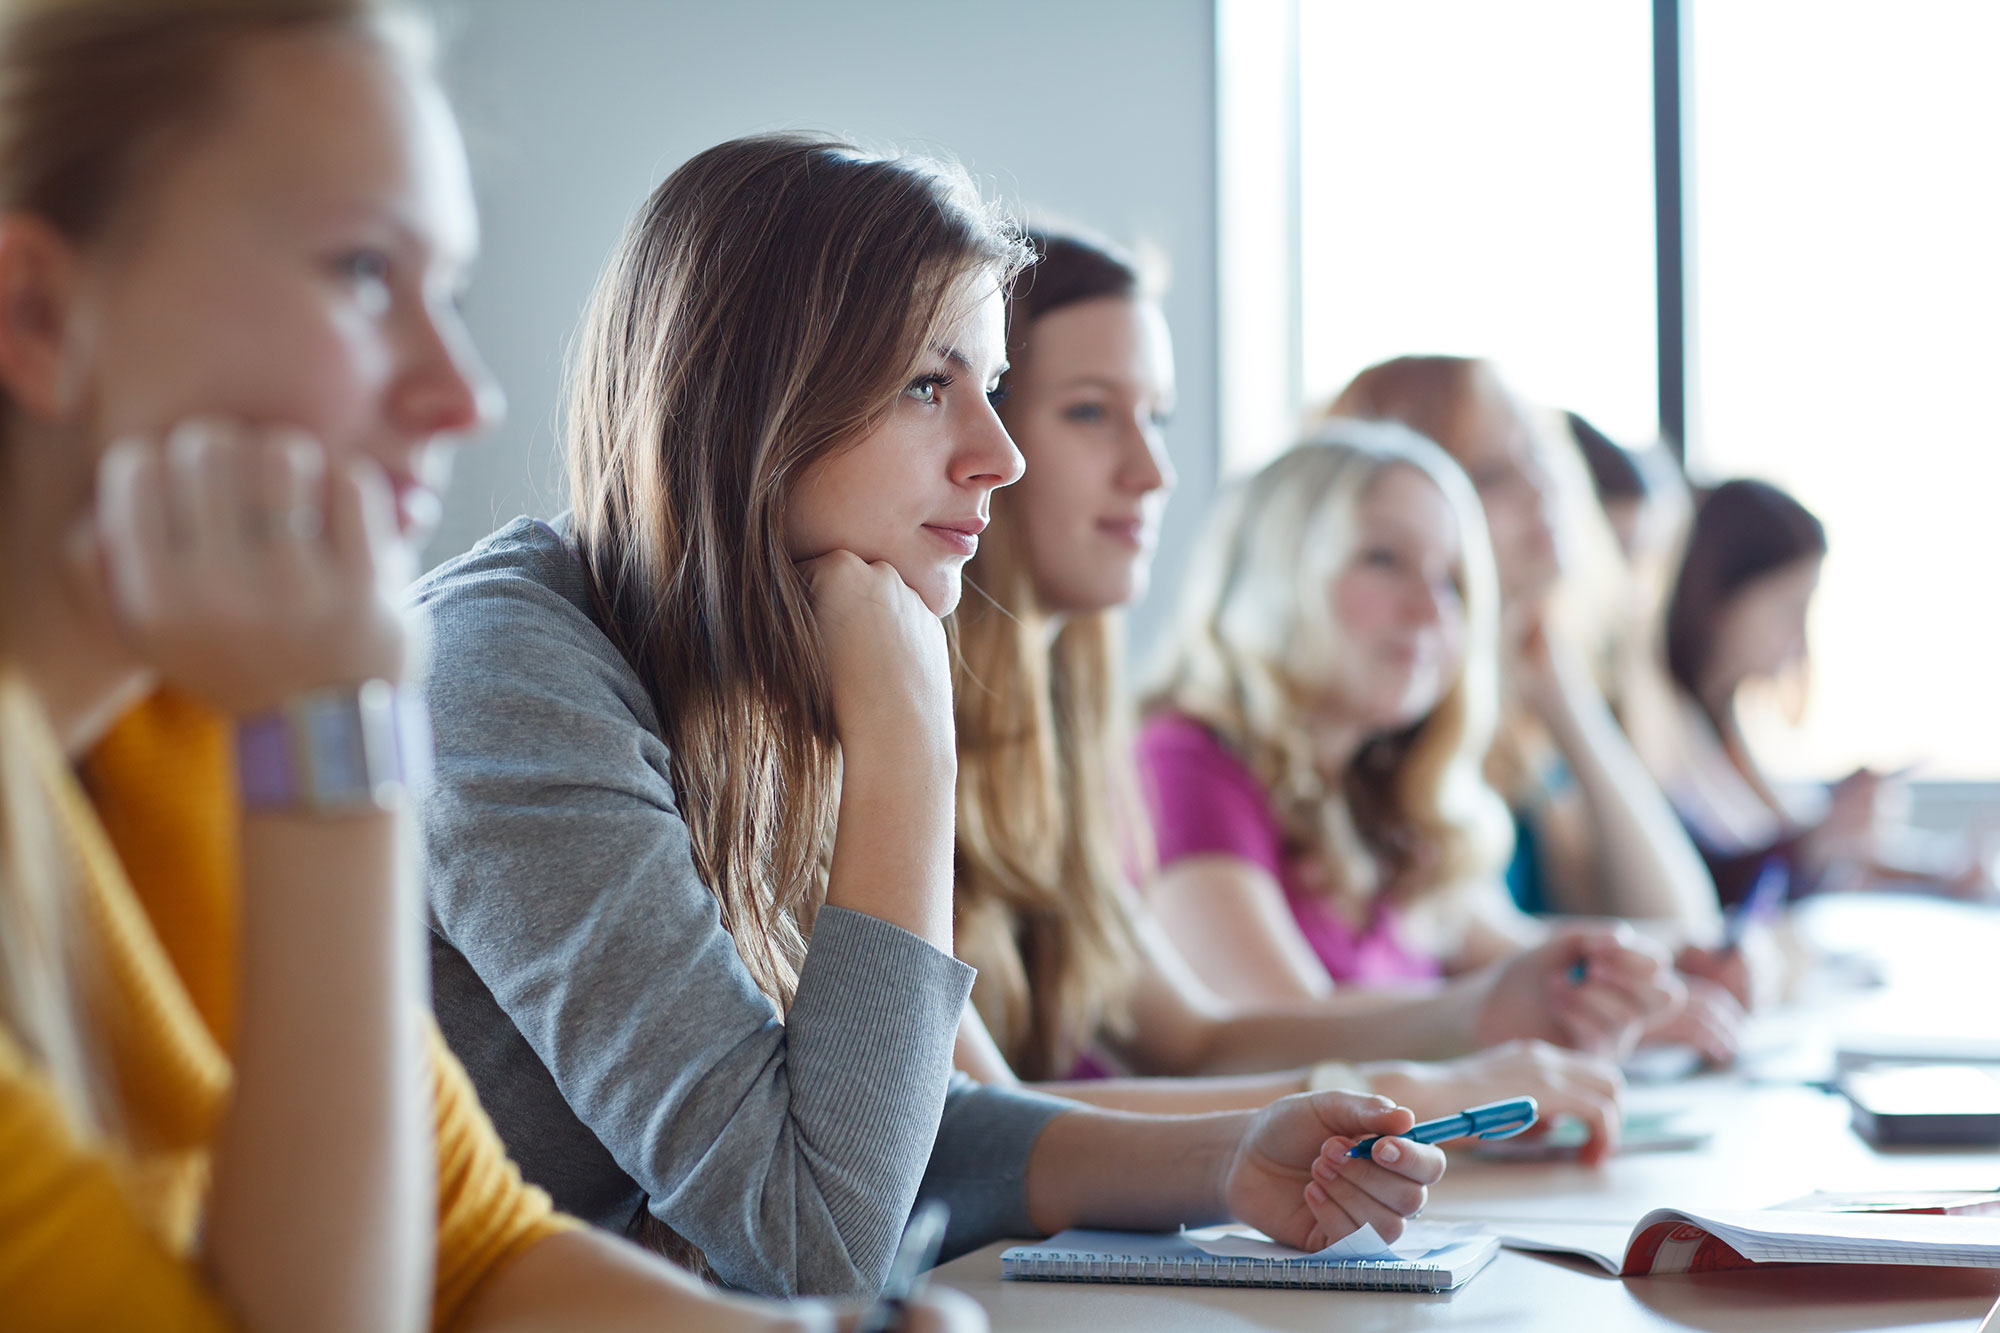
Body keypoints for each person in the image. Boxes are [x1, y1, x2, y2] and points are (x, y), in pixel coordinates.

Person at [0, 4, 972, 1328]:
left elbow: (474, 1251)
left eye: (445, 292)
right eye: (359, 274)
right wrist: (336, 743)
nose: (465, 394)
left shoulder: (177, 730)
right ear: (38, 312)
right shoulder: (319, 711)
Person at [414, 133, 1447, 1302]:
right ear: (752, 396)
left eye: (991, 390)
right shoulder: (505, 678)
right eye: (925, 385)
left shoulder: (748, 667)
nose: (995, 456)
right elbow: (813, 1234)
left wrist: (1228, 1158)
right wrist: (909, 738)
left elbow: (874, 1128)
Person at [946, 232, 1649, 1158]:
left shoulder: (1069, 737)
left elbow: (1194, 1038)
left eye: (1157, 419)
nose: (1154, 472)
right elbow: (979, 1123)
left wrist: (1482, 1011)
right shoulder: (1164, 754)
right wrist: (1425, 1082)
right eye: (1088, 412)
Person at [1315, 358, 1720, 936]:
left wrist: (1563, 696)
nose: (1540, 490)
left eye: (1536, 454)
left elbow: (1675, 916)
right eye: (1490, 475)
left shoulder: (1523, 697)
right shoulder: (1393, 719)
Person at [1646, 478, 1994, 905]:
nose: (1798, 638)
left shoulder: (1726, 727)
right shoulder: (1661, 726)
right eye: (1787, 607)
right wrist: (1819, 838)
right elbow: (1713, 883)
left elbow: (1790, 847)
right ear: (1720, 598)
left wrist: (1937, 873)